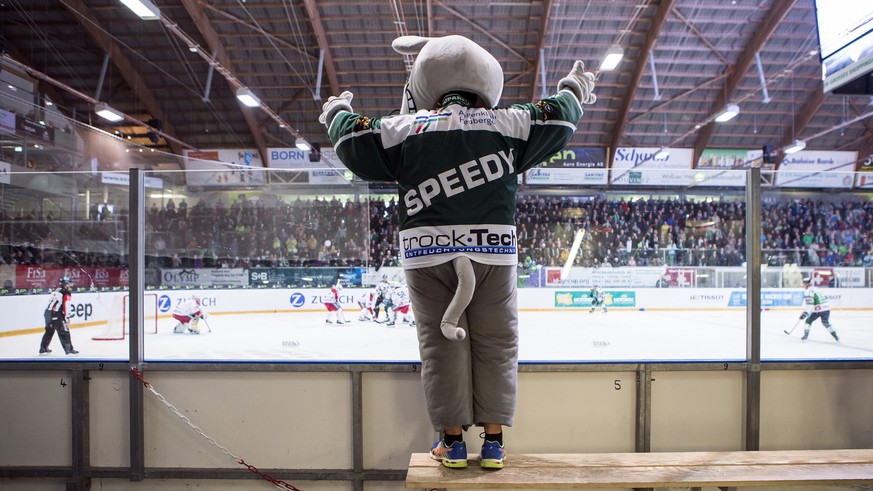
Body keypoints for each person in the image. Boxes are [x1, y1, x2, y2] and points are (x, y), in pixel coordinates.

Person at [320, 34, 594, 469]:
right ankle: (493, 443)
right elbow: (559, 118)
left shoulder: (405, 128)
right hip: (493, 251)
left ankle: (451, 444)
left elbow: (354, 138)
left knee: (439, 345)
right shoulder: (509, 122)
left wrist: (337, 112)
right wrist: (574, 89)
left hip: (427, 254)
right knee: (498, 343)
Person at [40, 276, 78, 355]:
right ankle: (69, 350)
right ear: (65, 284)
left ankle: (43, 348)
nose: (70, 286)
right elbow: (66, 304)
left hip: (47, 313)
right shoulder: (66, 292)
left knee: (49, 331)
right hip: (56, 314)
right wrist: (68, 317)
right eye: (68, 284)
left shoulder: (55, 290)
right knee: (64, 331)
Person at [799, 276, 839, 342]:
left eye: (804, 283)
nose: (803, 285)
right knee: (825, 323)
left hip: (818, 309)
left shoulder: (808, 291)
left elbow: (810, 304)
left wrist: (805, 313)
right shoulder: (817, 289)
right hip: (826, 308)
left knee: (808, 321)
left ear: (807, 284)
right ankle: (835, 336)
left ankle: (805, 336)